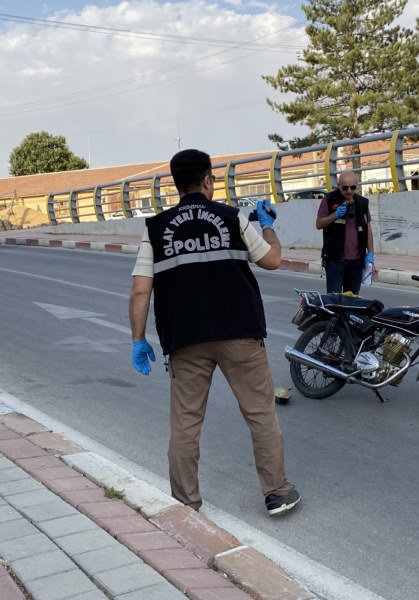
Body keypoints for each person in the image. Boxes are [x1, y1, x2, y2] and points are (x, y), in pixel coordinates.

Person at [128, 148, 300, 516]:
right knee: (260, 414)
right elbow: (271, 260)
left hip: (186, 339)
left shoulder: (155, 229)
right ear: (207, 180)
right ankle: (276, 492)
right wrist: (267, 225)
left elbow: (141, 290)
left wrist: (138, 340)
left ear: (176, 184)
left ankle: (186, 504)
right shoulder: (232, 218)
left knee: (186, 423)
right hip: (240, 332)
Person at [315, 170, 375, 295]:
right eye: (345, 187)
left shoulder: (362, 203)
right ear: (338, 185)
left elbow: (367, 229)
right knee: (334, 300)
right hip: (335, 261)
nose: (349, 191)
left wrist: (371, 253)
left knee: (352, 300)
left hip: (356, 262)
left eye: (352, 187)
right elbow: (319, 224)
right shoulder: (329, 200)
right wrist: (335, 215)